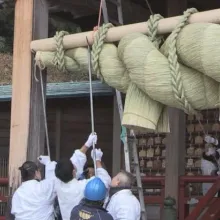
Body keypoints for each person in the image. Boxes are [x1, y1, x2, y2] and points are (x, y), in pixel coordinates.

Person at [39, 133, 111, 220]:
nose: (74, 163)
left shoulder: (57, 182)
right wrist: (97, 159)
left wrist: (87, 144)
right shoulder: (82, 187)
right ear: (73, 172)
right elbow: (104, 181)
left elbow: (75, 159)